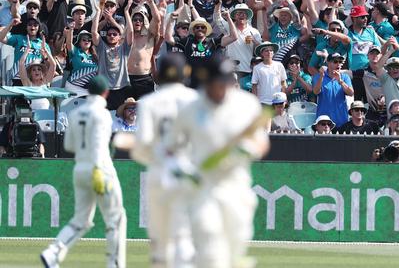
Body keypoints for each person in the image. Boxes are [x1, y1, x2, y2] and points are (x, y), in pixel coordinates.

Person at [164, 56, 269, 268]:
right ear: (206, 81)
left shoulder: (246, 105)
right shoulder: (191, 108)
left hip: (237, 189)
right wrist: (180, 169)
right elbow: (171, 148)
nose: (221, 89)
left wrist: (246, 150)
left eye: (225, 82)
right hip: (204, 189)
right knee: (210, 249)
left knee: (234, 254)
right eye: (216, 83)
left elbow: (261, 143)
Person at [40, 75, 126, 268]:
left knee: (81, 220)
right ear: (105, 93)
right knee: (116, 218)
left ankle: (52, 253)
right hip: (100, 169)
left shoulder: (75, 114)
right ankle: (115, 264)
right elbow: (100, 145)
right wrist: (99, 170)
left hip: (80, 169)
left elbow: (69, 145)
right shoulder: (103, 114)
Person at [131, 53, 198, 268]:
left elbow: (141, 147)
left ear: (159, 74)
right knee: (184, 236)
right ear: (185, 73)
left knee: (160, 240)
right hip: (187, 174)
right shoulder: (196, 100)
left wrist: (157, 160)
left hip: (159, 175)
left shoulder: (150, 102)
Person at [312, 52, 354, 126]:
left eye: (340, 62)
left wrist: (340, 81)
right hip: (324, 123)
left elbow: (351, 93)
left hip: (342, 120)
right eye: (335, 61)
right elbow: (315, 92)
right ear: (328, 63)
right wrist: (322, 76)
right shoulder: (318, 77)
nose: (338, 64)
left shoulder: (345, 77)